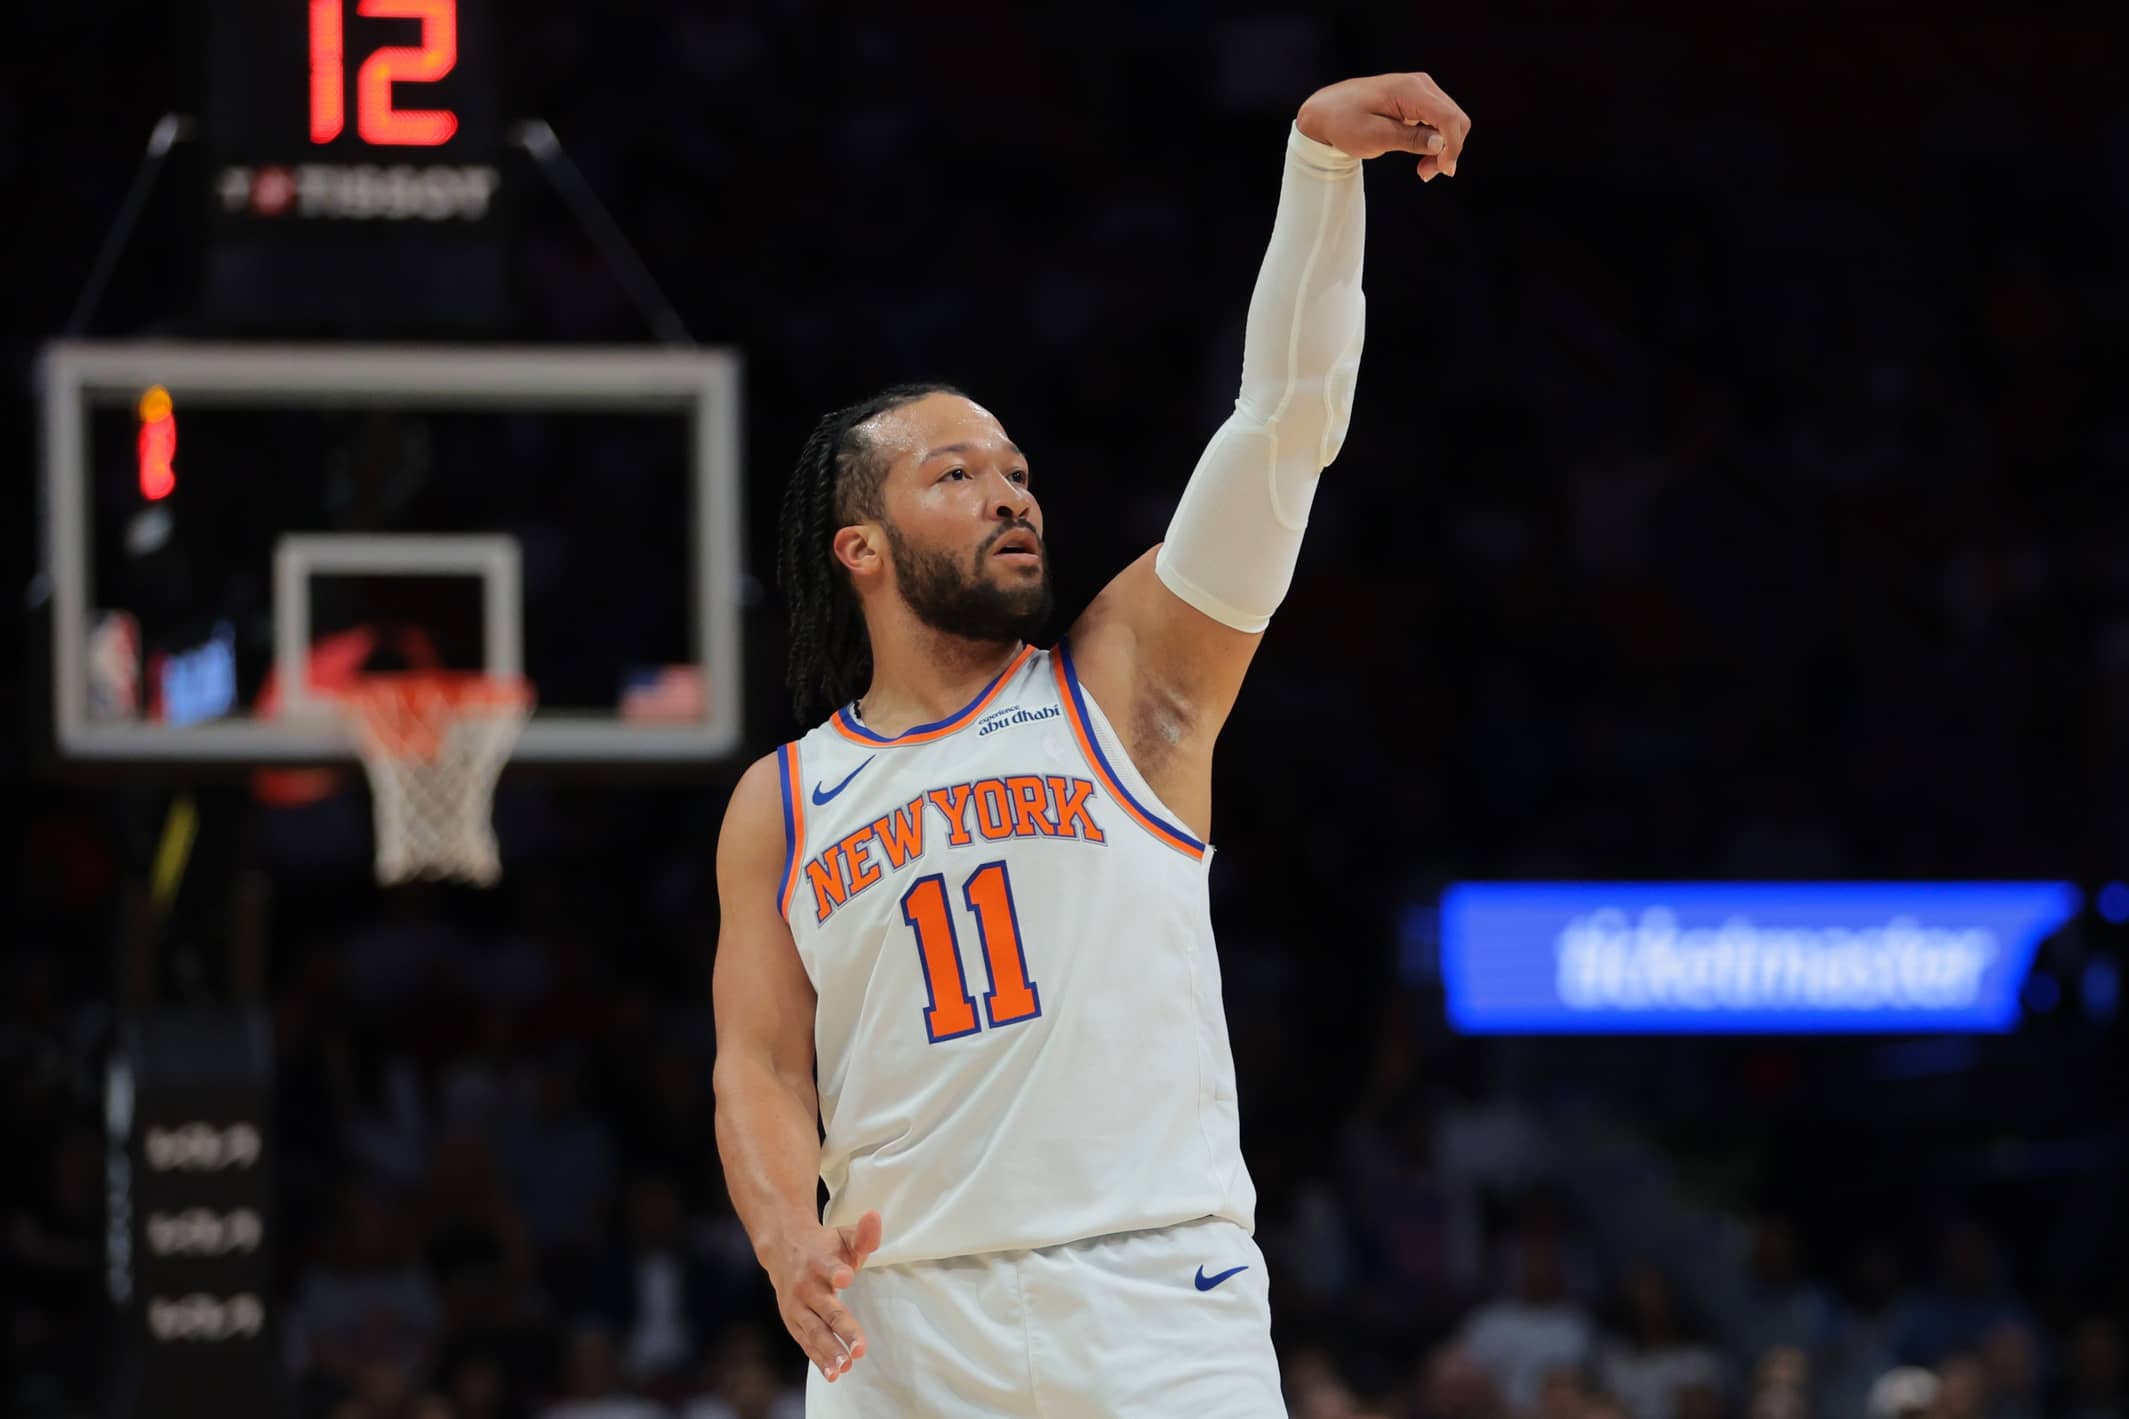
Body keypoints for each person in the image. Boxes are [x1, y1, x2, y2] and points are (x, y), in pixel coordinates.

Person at [711, 70, 1472, 1416]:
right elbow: (761, 1065)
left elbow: (1284, 428)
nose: (1008, 494)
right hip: (896, 1327)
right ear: (860, 551)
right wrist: (782, 1230)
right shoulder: (783, 800)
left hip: (1150, 1303)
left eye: (1014, 470)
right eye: (955, 475)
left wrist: (1313, 169)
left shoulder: (1123, 685)